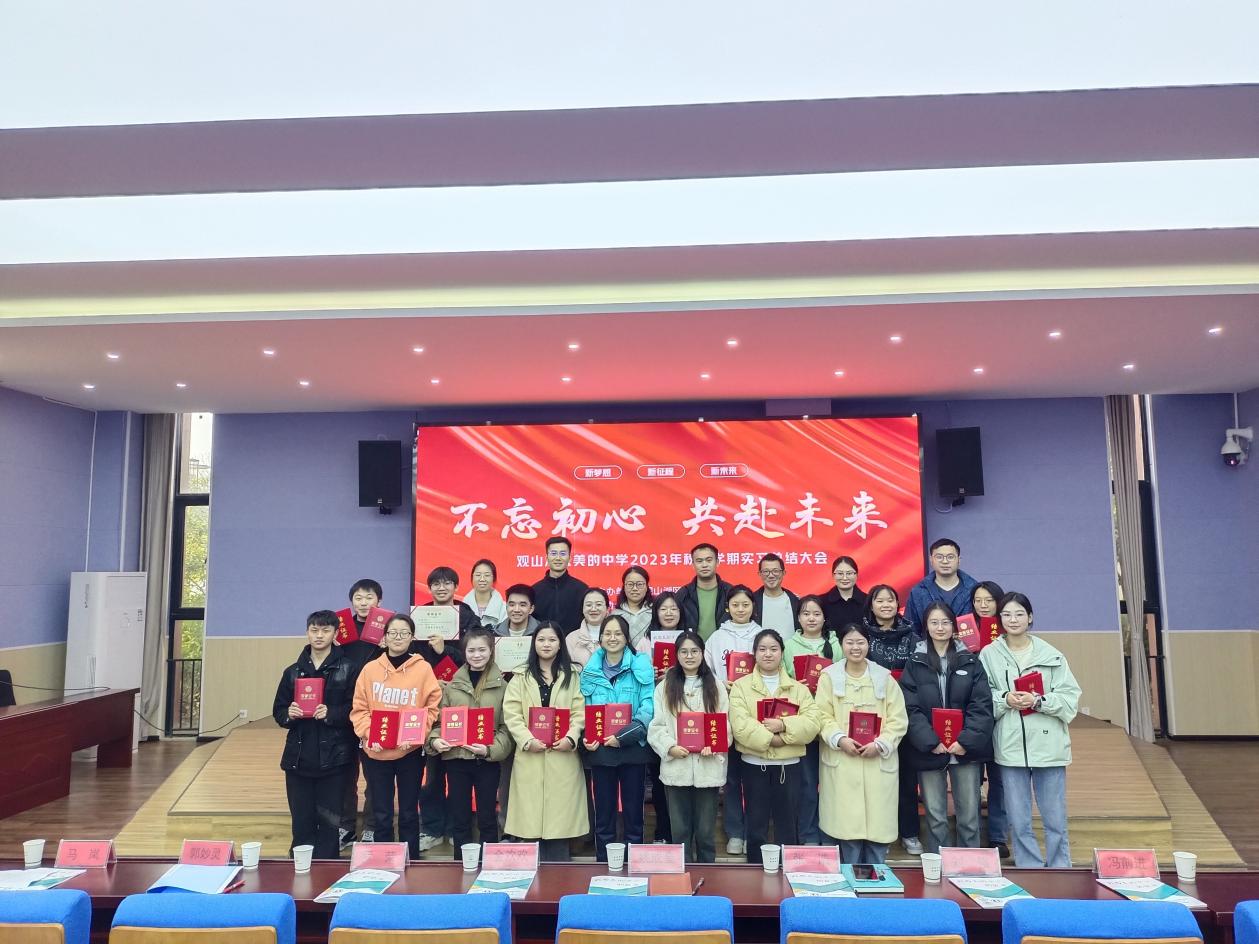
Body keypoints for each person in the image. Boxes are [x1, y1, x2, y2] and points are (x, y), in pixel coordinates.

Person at [980, 592, 1080, 869]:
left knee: (1055, 818)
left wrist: (1039, 701)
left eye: (1019, 614)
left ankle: (1060, 867)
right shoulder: (988, 655)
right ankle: (1029, 867)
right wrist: (1005, 699)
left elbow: (1070, 699)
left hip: (1048, 745)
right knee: (1018, 818)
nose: (1013, 620)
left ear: (1030, 617)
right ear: (999, 619)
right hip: (1010, 745)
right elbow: (981, 697)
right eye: (1006, 614)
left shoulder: (1051, 655)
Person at [899, 603, 994, 852]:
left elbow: (981, 705)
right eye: (934, 622)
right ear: (926, 626)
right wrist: (930, 741)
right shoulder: (915, 662)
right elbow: (909, 708)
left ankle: (969, 865)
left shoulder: (970, 661)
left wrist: (965, 741)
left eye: (945, 622)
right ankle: (938, 865)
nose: (940, 628)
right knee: (935, 816)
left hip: (965, 750)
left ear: (954, 626)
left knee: (969, 816)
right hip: (929, 749)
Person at [350, 614, 442, 859]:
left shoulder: (423, 669)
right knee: (381, 813)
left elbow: (432, 707)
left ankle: (411, 860)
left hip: (409, 752)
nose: (398, 637)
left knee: (409, 812)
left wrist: (418, 734)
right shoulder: (370, 669)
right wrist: (370, 734)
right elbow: (359, 708)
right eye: (393, 633)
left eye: (404, 633)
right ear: (384, 637)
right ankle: (385, 861)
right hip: (375, 752)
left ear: (412, 637)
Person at [816, 623, 909, 865]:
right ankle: (850, 878)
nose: (855, 647)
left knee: (878, 830)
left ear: (869, 644)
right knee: (847, 830)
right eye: (849, 642)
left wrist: (881, 744)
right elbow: (821, 716)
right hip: (843, 760)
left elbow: (898, 719)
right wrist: (840, 739)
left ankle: (877, 879)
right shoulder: (829, 677)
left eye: (860, 642)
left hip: (877, 762)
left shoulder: (884, 677)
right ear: (841, 645)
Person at [728, 628, 822, 864]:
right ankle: (755, 870)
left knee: (788, 823)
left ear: (782, 652)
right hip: (754, 764)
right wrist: (775, 740)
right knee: (756, 823)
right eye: (762, 649)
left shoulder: (798, 688)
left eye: (773, 649)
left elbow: (812, 723)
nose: (768, 654)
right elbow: (740, 725)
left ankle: (787, 870)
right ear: (754, 653)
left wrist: (783, 725)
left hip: (789, 766)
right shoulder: (740, 687)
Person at [273, 610, 359, 859]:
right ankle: (300, 869)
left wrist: (332, 713)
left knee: (330, 824)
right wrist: (289, 713)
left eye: (325, 630)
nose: (319, 635)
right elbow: (278, 710)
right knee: (301, 822)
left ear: (335, 634)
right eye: (314, 630)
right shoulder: (292, 671)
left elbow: (357, 708)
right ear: (307, 633)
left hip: (334, 759)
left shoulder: (349, 668)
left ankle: (327, 870)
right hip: (298, 758)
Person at [502, 621, 588, 861]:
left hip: (562, 755)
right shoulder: (520, 676)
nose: (546, 644)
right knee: (529, 825)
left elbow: (579, 711)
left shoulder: (573, 675)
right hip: (531, 755)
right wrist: (527, 740)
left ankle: (558, 876)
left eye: (552, 639)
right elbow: (512, 714)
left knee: (559, 827)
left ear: (560, 644)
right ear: (534, 643)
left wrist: (571, 737)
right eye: (541, 639)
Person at [427, 627, 513, 854]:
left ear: (491, 651)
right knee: (460, 817)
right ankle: (461, 864)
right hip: (456, 759)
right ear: (464, 652)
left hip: (487, 761)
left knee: (487, 816)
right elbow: (438, 724)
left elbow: (506, 728)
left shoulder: (503, 687)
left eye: (482, 650)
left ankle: (489, 864)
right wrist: (435, 741)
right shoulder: (451, 686)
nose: (477, 655)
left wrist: (490, 749)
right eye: (471, 650)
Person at [647, 631, 729, 862]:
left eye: (694, 651)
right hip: (676, 767)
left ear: (702, 654)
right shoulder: (665, 686)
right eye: (684, 651)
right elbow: (656, 726)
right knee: (680, 832)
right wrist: (670, 747)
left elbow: (725, 724)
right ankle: (682, 877)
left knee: (705, 833)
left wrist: (714, 745)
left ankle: (707, 874)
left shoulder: (716, 686)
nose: (689, 656)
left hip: (708, 767)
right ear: (676, 655)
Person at [580, 614, 655, 861]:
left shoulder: (640, 665)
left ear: (626, 638)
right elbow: (582, 707)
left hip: (633, 747)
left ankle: (633, 862)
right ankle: (605, 862)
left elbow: (648, 705)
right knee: (604, 813)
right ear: (600, 638)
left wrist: (626, 735)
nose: (612, 638)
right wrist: (586, 736)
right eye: (607, 633)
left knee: (634, 812)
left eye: (618, 634)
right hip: (601, 750)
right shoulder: (590, 670)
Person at [413, 565, 473, 853]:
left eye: (447, 583)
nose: (441, 587)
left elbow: (476, 655)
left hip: (462, 698)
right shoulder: (420, 616)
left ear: (456, 587)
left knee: (459, 769)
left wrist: (444, 651)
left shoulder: (467, 616)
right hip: (430, 701)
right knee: (433, 771)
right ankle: (433, 828)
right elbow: (411, 656)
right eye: (436, 583)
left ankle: (457, 829)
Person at [860, 582, 924, 855]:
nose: (885, 605)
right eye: (879, 600)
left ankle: (909, 832)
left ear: (897, 605)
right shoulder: (861, 635)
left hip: (904, 714)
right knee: (873, 780)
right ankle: (877, 835)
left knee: (906, 779)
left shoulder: (913, 638)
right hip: (868, 714)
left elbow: (921, 676)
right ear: (871, 605)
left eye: (890, 600)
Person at [702, 584, 761, 855]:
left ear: (753, 607)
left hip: (756, 713)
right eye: (735, 605)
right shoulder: (717, 638)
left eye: (745, 605)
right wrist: (720, 683)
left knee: (755, 778)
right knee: (732, 777)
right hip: (725, 711)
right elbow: (706, 671)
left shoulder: (761, 635)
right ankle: (735, 833)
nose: (740, 609)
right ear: (727, 607)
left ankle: (754, 832)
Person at [336, 578, 385, 846]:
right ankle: (345, 826)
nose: (364, 603)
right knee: (345, 773)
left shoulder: (389, 628)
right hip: (346, 707)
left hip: (376, 708)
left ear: (379, 601)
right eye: (358, 598)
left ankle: (372, 827)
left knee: (374, 772)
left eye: (369, 597)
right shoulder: (340, 628)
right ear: (351, 601)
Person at [782, 594, 834, 843]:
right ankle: (808, 834)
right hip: (802, 722)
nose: (811, 618)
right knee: (807, 784)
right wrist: (796, 686)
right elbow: (781, 683)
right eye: (806, 613)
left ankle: (832, 834)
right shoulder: (788, 646)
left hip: (832, 722)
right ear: (798, 618)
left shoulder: (836, 644)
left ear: (824, 617)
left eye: (816, 613)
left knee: (833, 784)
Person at [970, 579, 1009, 858]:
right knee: (970, 779)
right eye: (978, 601)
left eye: (989, 600)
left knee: (1000, 779)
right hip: (972, 714)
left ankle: (997, 835)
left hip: (1002, 714)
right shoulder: (963, 632)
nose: (983, 606)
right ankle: (970, 834)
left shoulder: (1010, 632)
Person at [905, 538, 979, 634]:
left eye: (950, 557)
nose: (945, 561)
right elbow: (911, 629)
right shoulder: (918, 591)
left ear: (959, 560)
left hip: (967, 643)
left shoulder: (975, 589)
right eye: (939, 557)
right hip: (929, 643)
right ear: (931, 560)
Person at [531, 536, 589, 632]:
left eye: (563, 553)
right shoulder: (534, 591)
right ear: (546, 557)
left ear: (569, 558)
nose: (558, 558)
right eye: (553, 553)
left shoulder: (582, 589)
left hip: (574, 641)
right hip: (544, 640)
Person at [674, 543, 732, 639]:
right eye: (699, 561)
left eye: (709, 560)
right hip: (692, 647)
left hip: (724, 646)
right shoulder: (683, 594)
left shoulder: (730, 592)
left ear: (717, 562)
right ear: (693, 565)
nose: (704, 565)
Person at [752, 552, 800, 636]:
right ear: (759, 574)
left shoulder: (796, 601)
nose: (771, 575)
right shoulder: (752, 601)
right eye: (766, 571)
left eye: (775, 571)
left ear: (783, 573)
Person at [611, 565, 654, 651]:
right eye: (630, 584)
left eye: (639, 584)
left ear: (646, 587)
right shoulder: (614, 615)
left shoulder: (655, 612)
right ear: (624, 587)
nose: (635, 588)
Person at [567, 587, 610, 668]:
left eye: (598, 604)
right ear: (582, 609)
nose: (593, 609)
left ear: (608, 609)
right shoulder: (571, 639)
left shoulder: (617, 636)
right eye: (588, 605)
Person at [820, 556, 867, 632]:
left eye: (849, 573)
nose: (845, 578)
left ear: (856, 575)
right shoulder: (821, 602)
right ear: (833, 575)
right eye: (840, 573)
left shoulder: (868, 601)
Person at [464, 559, 507, 628]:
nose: (482, 579)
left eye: (487, 575)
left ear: (494, 579)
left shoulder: (505, 608)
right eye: (478, 575)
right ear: (472, 578)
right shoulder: (462, 608)